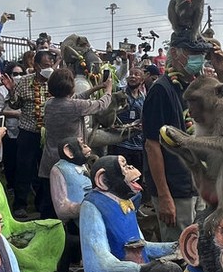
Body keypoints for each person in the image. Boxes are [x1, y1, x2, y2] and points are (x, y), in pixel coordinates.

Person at [142, 33, 223, 241]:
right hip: (175, 190)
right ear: (175, 54)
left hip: (198, 186)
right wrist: (164, 195)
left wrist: (222, 72)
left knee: (201, 247)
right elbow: (153, 146)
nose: (198, 58)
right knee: (180, 251)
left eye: (201, 54)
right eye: (192, 53)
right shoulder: (161, 90)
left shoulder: (199, 87)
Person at [38, 68, 112, 219]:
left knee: (49, 202)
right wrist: (109, 90)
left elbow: (77, 98)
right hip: (70, 162)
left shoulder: (49, 104)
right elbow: (101, 105)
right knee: (71, 200)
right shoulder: (75, 107)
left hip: (49, 160)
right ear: (71, 87)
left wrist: (97, 87)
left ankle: (48, 230)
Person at [8, 49, 56, 219]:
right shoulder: (24, 82)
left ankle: (42, 205)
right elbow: (14, 106)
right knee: (24, 168)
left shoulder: (55, 82)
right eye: (45, 65)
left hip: (49, 134)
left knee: (45, 171)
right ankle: (20, 204)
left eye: (50, 65)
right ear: (35, 66)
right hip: (28, 132)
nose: (48, 68)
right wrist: (11, 91)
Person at [106, 66, 147, 173]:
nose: (133, 76)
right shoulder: (119, 94)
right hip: (119, 144)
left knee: (135, 177)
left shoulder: (144, 99)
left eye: (136, 74)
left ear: (142, 80)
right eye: (131, 74)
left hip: (137, 146)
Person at [0, 61, 23, 187]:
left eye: (21, 73)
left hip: (23, 128)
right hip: (8, 129)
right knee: (10, 158)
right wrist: (14, 114)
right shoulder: (2, 90)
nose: (18, 76)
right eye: (15, 73)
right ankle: (11, 184)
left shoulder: (24, 87)